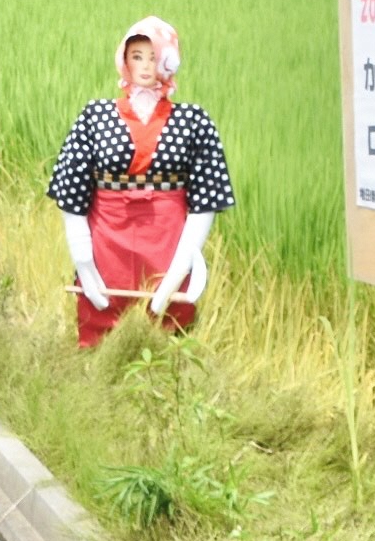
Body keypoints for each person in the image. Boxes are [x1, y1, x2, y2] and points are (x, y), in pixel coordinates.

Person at [46, 17, 235, 348]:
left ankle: (165, 382)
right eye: (137, 56)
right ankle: (98, 378)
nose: (145, 66)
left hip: (168, 236)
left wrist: (183, 265)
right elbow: (71, 185)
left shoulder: (194, 121)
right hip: (107, 233)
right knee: (102, 309)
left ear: (168, 61)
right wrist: (81, 254)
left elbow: (207, 198)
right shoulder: (95, 116)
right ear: (124, 59)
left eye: (153, 56)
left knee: (168, 314)